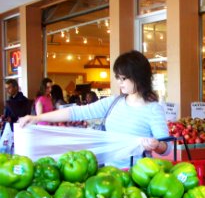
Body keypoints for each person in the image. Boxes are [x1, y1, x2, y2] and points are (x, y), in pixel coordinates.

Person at [19, 50, 171, 168]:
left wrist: (156, 145)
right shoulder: (113, 102)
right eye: (118, 78)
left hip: (137, 177)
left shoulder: (153, 109)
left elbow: (167, 147)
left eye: (123, 78)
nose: (119, 82)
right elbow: (76, 112)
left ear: (138, 77)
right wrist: (37, 118)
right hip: (109, 174)